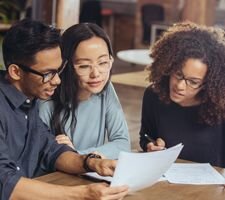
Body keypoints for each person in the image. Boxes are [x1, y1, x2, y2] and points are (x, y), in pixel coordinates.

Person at [0, 19, 128, 200]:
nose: (58, 80)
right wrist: (82, 194)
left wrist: (93, 163)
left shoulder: (30, 100)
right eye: (48, 74)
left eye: (58, 71)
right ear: (16, 72)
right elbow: (4, 181)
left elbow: (52, 151)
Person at [39, 23, 130, 159]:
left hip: (90, 173)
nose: (96, 74)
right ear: (65, 65)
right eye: (84, 66)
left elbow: (122, 144)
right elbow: (38, 160)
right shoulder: (47, 99)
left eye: (103, 62)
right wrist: (68, 157)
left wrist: (78, 156)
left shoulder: (106, 89)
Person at [139, 22, 225, 167]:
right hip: (166, 182)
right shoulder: (153, 95)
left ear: (207, 85)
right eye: (178, 74)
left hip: (212, 186)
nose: (180, 86)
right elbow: (146, 136)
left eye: (193, 82)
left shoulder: (220, 105)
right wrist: (150, 146)